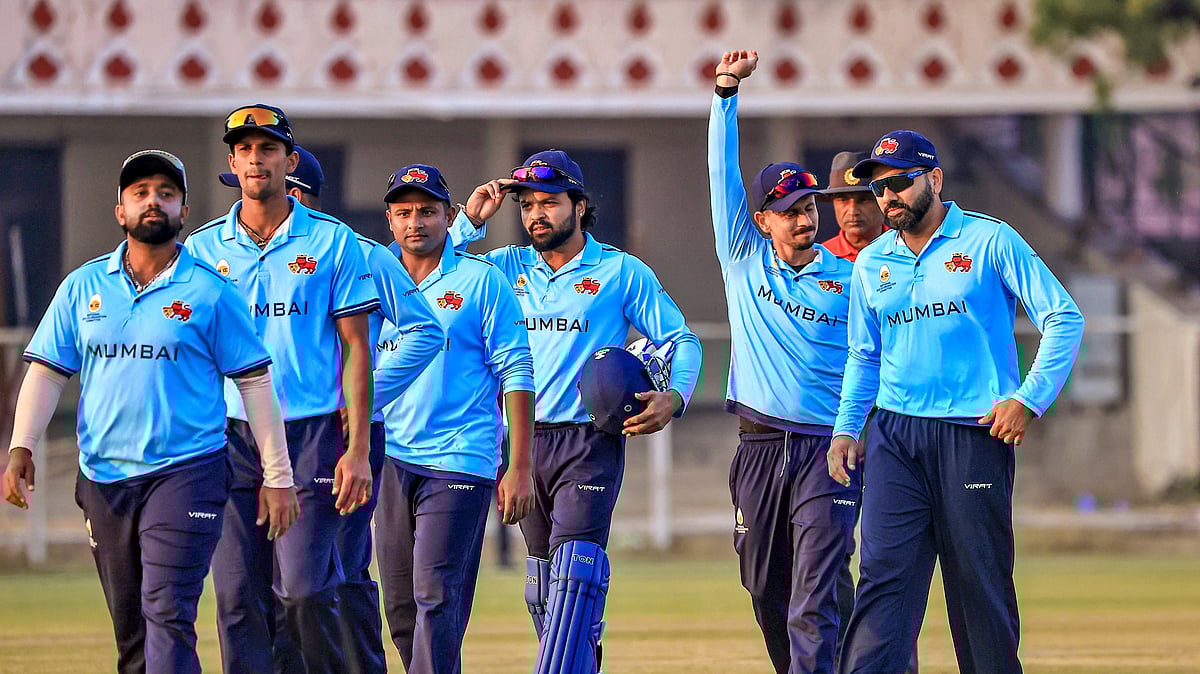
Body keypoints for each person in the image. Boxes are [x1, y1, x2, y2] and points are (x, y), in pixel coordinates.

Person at [2, 149, 298, 674]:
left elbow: (254, 382)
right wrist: (21, 446)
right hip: (104, 478)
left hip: (188, 472)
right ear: (121, 211)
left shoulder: (211, 290)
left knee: (168, 611)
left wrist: (278, 476)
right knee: (132, 631)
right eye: (140, 193)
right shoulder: (83, 287)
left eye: (166, 193)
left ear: (184, 210)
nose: (153, 202)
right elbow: (47, 372)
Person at [827, 130, 1085, 673]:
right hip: (895, 435)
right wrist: (847, 429)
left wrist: (1028, 399)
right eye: (879, 189)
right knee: (883, 582)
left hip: (973, 432)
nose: (888, 197)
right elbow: (864, 355)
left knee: (977, 585)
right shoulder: (872, 262)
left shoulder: (990, 240)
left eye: (900, 182)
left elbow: (1063, 318)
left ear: (935, 179)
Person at [453, 149, 703, 672]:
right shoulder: (502, 267)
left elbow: (681, 339)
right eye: (527, 205)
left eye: (549, 202)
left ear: (580, 205)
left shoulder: (620, 271)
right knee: (543, 587)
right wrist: (469, 222)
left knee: (575, 573)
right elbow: (432, 279)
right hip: (520, 443)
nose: (536, 215)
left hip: (589, 442)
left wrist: (675, 397)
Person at [218, 146, 445, 674]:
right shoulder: (230, 249)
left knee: (328, 580)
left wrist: (362, 400)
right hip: (251, 436)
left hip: (333, 435)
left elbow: (424, 331)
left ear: (296, 190)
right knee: (265, 587)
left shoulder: (357, 251)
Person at [185, 104, 380, 673]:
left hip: (311, 434)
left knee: (303, 590)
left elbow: (357, 348)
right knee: (237, 601)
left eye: (267, 149)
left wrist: (358, 449)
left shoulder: (333, 241)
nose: (256, 159)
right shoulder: (200, 249)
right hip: (228, 437)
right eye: (244, 150)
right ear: (232, 162)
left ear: (290, 161)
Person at [709, 50, 860, 673]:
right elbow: (721, 173)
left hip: (828, 449)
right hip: (759, 446)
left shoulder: (849, 279)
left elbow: (874, 360)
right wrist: (725, 95)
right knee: (766, 588)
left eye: (809, 208)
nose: (805, 219)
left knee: (814, 593)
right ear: (761, 220)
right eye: (790, 210)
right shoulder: (743, 260)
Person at [372, 163, 535, 673]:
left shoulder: (481, 281)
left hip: (459, 458)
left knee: (437, 596)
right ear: (389, 219)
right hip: (389, 457)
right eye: (403, 213)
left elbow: (517, 369)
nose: (415, 222)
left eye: (427, 211)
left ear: (448, 216)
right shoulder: (369, 277)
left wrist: (519, 465)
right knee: (401, 609)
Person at [818, 151, 886, 262]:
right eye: (843, 200)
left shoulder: (903, 249)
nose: (853, 211)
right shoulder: (822, 258)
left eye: (863, 200)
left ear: (883, 199)